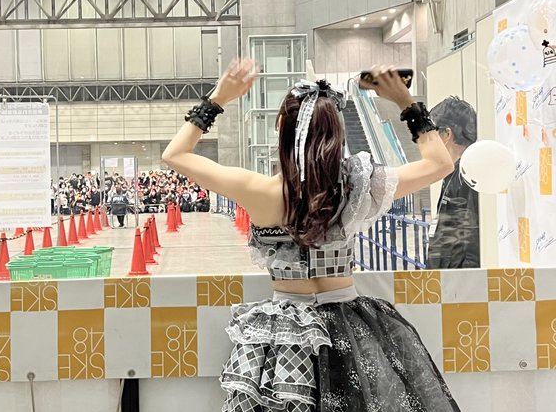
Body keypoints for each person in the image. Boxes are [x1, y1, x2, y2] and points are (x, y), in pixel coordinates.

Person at [162, 60, 460, 411]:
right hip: (350, 328)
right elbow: (440, 163)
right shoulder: (360, 188)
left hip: (284, 337)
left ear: (281, 127)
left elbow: (175, 155)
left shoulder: (258, 190)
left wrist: (218, 99)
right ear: (337, 133)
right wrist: (405, 102)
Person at [427, 96, 480, 269]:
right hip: (445, 277)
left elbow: (471, 244)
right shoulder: (453, 172)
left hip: (458, 280)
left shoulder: (469, 175)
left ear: (447, 135)